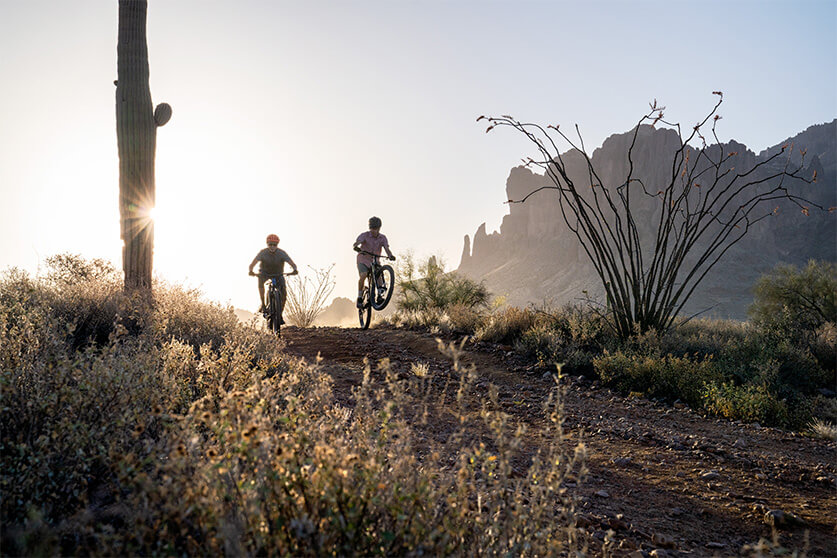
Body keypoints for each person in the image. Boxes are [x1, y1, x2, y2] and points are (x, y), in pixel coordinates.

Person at [248, 234, 298, 320]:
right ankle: (263, 305)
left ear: (277, 245)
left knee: (283, 295)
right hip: (264, 274)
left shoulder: (282, 253)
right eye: (270, 244)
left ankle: (279, 315)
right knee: (260, 285)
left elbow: (292, 263)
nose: (272, 246)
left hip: (278, 274)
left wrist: (294, 269)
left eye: (274, 245)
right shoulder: (262, 253)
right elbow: (252, 264)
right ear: (267, 244)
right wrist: (251, 271)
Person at [353, 216, 395, 308]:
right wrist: (356, 247)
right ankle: (359, 297)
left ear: (379, 228)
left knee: (378, 275)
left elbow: (387, 248)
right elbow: (357, 242)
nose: (373, 230)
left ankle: (379, 296)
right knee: (363, 275)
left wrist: (390, 255)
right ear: (369, 228)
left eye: (375, 228)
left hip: (375, 260)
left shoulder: (382, 238)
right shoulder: (365, 235)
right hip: (363, 259)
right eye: (372, 228)